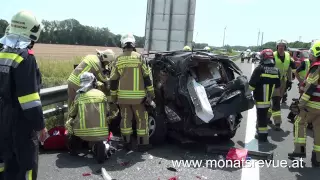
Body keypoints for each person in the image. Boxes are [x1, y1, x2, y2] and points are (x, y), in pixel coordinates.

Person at [0, 10, 47, 180]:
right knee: (26, 167)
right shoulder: (25, 58)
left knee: (5, 164)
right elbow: (29, 100)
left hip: (2, 119)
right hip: (21, 123)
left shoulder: (2, 53)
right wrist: (40, 125)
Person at [110, 33, 155, 152]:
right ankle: (143, 144)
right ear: (133, 44)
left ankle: (127, 144)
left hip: (123, 98)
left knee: (125, 119)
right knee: (142, 119)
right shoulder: (140, 58)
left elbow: (113, 80)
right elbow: (147, 77)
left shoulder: (118, 60)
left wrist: (113, 97)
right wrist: (152, 94)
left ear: (122, 44)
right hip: (138, 99)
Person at [288, 41, 320, 167]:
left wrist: (301, 103)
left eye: (312, 52)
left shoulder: (317, 66)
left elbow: (310, 87)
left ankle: (299, 151)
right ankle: (317, 158)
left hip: (312, 104)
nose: (310, 55)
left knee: (299, 123)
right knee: (318, 130)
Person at [66, 72, 112, 158]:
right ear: (93, 82)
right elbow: (107, 111)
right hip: (101, 132)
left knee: (69, 122)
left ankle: (73, 149)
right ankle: (99, 144)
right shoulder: (101, 94)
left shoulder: (79, 96)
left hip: (82, 134)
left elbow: (72, 113)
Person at [249, 49, 281, 141]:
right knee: (263, 117)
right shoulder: (276, 71)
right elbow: (277, 86)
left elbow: (251, 85)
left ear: (263, 58)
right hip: (268, 100)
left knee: (261, 118)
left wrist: (246, 95)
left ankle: (262, 136)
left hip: (259, 99)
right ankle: (261, 132)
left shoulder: (260, 69)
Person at [267, 39, 296, 130]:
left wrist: (290, 81)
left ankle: (267, 118)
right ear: (277, 47)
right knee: (275, 101)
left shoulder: (288, 56)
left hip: (283, 81)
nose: (281, 47)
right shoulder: (272, 55)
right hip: (273, 80)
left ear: (285, 47)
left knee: (277, 101)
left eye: (283, 46)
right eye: (279, 46)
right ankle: (277, 122)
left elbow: (290, 69)